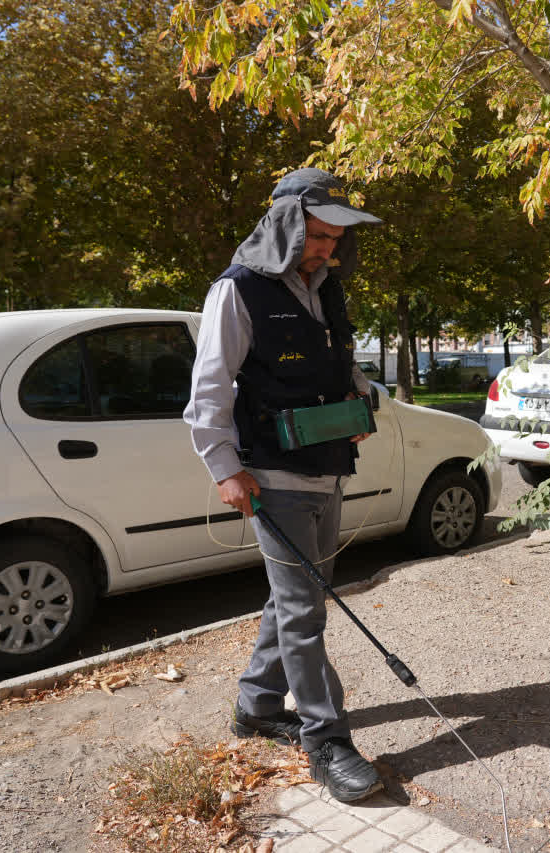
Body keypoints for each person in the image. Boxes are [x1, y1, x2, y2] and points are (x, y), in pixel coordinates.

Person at [184, 168, 384, 802]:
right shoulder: (237, 290)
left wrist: (358, 400)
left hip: (328, 464)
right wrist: (224, 468)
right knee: (304, 608)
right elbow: (209, 390)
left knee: (295, 596)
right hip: (270, 472)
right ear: (285, 226)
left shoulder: (328, 290)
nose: (325, 248)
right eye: (316, 235)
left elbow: (342, 363)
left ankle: (256, 706)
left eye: (333, 239)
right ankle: (326, 740)